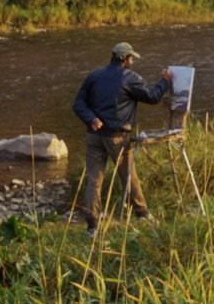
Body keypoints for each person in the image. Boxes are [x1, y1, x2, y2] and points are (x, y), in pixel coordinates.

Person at [72, 41, 172, 233]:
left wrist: (91, 119)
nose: (133, 61)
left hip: (93, 135)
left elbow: (78, 104)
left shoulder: (94, 76)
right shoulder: (129, 77)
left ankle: (92, 226)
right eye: (132, 58)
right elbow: (152, 96)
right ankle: (142, 214)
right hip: (116, 137)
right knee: (128, 176)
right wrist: (165, 81)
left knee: (94, 179)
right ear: (125, 59)